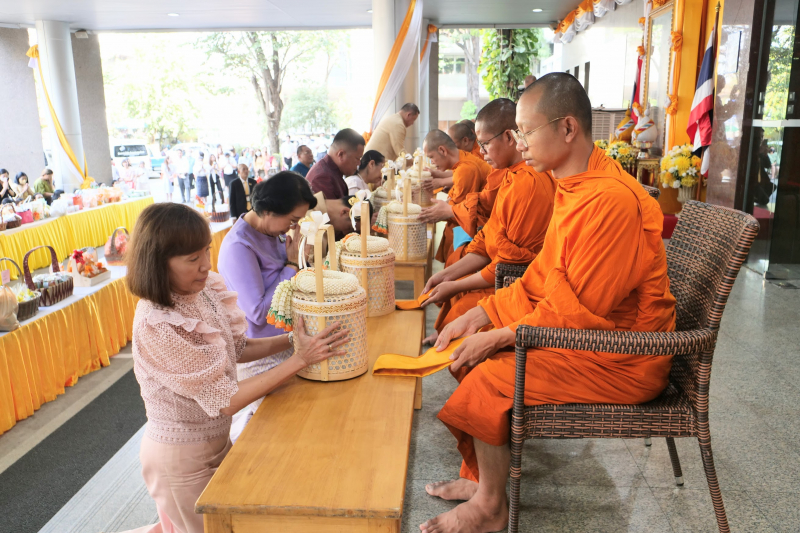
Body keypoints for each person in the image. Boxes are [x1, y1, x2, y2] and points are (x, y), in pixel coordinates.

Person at [418, 73, 676, 533]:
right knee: (474, 352)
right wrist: (484, 314)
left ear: (568, 129)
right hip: (586, 334)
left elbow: (577, 313)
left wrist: (498, 335)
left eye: (526, 131)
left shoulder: (611, 201)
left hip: (622, 356)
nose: (519, 143)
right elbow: (541, 279)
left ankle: (491, 509)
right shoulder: (572, 185)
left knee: (490, 375)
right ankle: (483, 482)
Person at [124, 202, 348, 533]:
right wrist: (300, 360)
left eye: (206, 252)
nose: (205, 265)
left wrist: (292, 343)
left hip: (215, 440)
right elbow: (224, 399)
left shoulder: (201, 291)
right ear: (158, 264)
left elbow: (235, 348)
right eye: (192, 259)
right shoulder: (157, 323)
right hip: (180, 458)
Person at [420, 98, 557, 344]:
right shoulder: (507, 174)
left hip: (517, 283)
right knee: (454, 269)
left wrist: (455, 284)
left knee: (461, 312)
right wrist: (449, 276)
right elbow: (489, 238)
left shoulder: (528, 183)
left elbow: (510, 263)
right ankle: (443, 333)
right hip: (499, 269)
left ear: (509, 137)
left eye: (484, 144)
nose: (480, 153)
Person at [218, 173, 319, 440]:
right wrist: (292, 266)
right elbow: (259, 313)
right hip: (261, 358)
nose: (291, 228)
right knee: (272, 437)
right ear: (268, 210)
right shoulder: (239, 246)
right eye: (292, 221)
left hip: (287, 344)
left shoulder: (270, 232)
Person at [421, 130, 491, 263]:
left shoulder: (466, 169)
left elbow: (461, 213)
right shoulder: (463, 158)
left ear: (442, 150)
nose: (432, 162)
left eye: (431, 157)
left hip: (472, 235)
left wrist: (432, 213)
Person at [306, 128, 365, 200]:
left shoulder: (333, 172)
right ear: (341, 155)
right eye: (357, 158)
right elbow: (337, 210)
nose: (359, 163)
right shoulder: (322, 178)